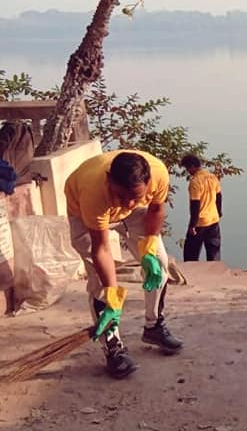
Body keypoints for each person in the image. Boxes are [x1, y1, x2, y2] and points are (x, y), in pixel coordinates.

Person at [65, 149, 183, 378]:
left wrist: (149, 246)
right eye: (121, 195)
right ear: (109, 180)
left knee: (159, 266)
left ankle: (154, 326)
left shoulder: (158, 174)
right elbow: (101, 248)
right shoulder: (93, 191)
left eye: (136, 196)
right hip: (85, 215)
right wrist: (112, 295)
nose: (128, 203)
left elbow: (156, 209)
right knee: (101, 285)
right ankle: (114, 349)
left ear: (148, 183)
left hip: (135, 216)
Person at [180, 154, 222, 261]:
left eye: (188, 168)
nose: (188, 171)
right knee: (214, 252)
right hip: (213, 220)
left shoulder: (195, 181)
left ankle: (191, 271)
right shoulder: (212, 177)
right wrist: (219, 213)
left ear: (192, 166)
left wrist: (192, 225)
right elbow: (219, 197)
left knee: (190, 254)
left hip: (200, 222)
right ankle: (215, 270)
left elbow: (195, 204)